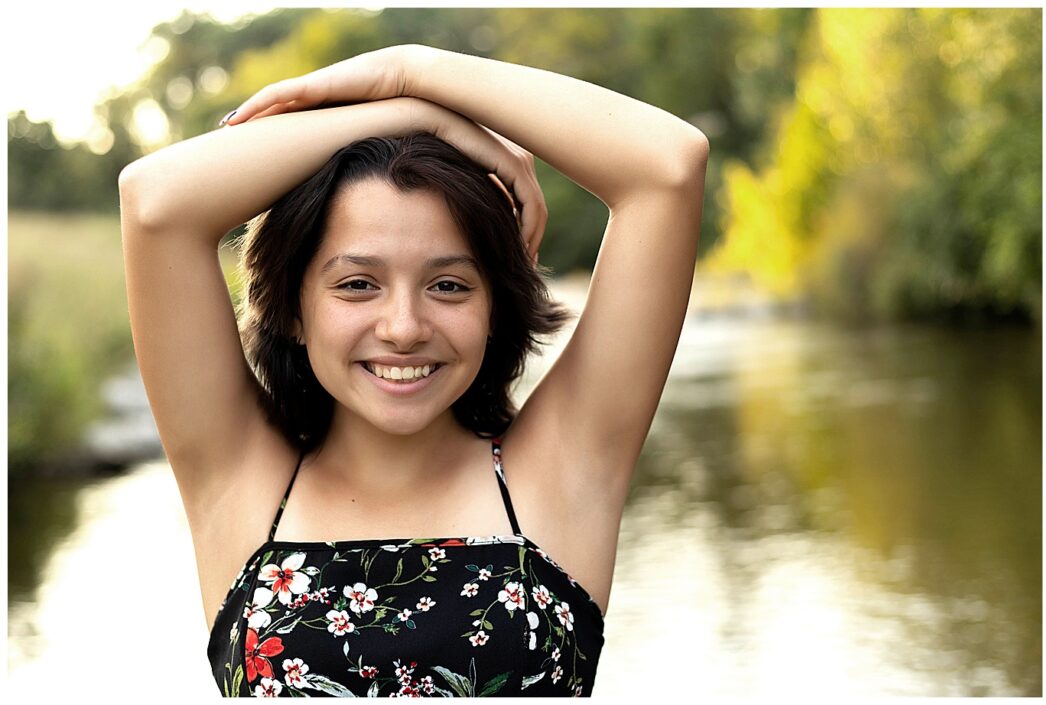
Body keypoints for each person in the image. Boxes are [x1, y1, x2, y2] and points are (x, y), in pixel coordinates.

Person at [119, 44, 705, 696]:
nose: (403, 327)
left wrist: (410, 68)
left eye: (449, 285)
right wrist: (408, 116)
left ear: (493, 309)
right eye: (359, 284)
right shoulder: (240, 478)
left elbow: (669, 168)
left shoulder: (562, 471)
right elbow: (154, 202)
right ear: (292, 310)